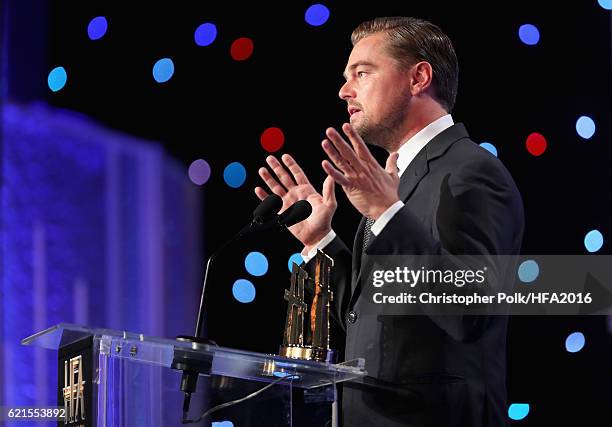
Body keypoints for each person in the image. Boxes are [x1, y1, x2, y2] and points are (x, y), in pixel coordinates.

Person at [255, 16, 524, 427]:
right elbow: (373, 314)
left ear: (418, 77)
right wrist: (322, 240)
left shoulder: (471, 171)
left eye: (361, 73)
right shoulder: (396, 177)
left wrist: (386, 212)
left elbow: (470, 311)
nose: (345, 90)